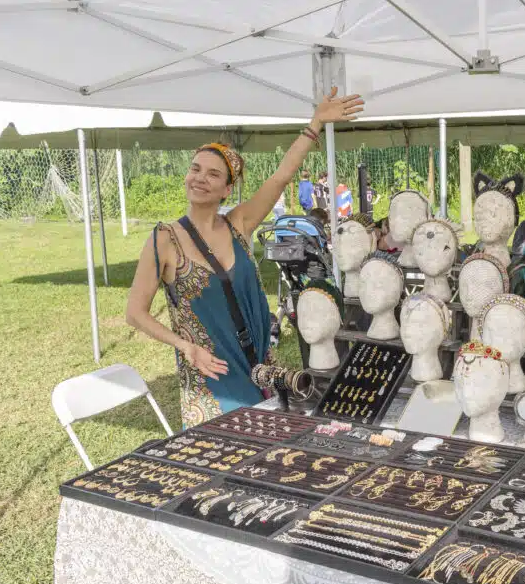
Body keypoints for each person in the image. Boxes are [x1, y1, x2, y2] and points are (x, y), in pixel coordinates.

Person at [126, 87, 363, 428]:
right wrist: (184, 346)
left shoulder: (238, 224)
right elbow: (135, 313)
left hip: (257, 366)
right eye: (195, 169)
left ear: (226, 189)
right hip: (210, 376)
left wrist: (316, 123)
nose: (200, 178)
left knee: (266, 453)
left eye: (213, 174)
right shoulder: (165, 239)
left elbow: (281, 176)